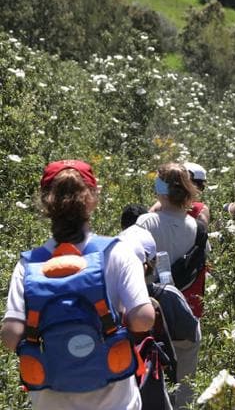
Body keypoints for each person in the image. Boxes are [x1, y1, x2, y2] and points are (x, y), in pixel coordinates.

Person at [0, 159, 155, 410]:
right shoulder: (117, 253)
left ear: (44, 201)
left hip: (51, 399)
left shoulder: (30, 264)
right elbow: (144, 319)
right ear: (93, 197)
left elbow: (10, 335)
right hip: (115, 399)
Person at [135, 162, 203, 410]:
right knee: (185, 388)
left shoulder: (146, 223)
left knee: (151, 386)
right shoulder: (196, 227)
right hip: (185, 315)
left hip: (152, 316)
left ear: (160, 187)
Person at [119, 225, 201, 410]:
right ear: (153, 263)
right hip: (164, 389)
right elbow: (192, 337)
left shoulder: (109, 300)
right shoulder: (167, 295)